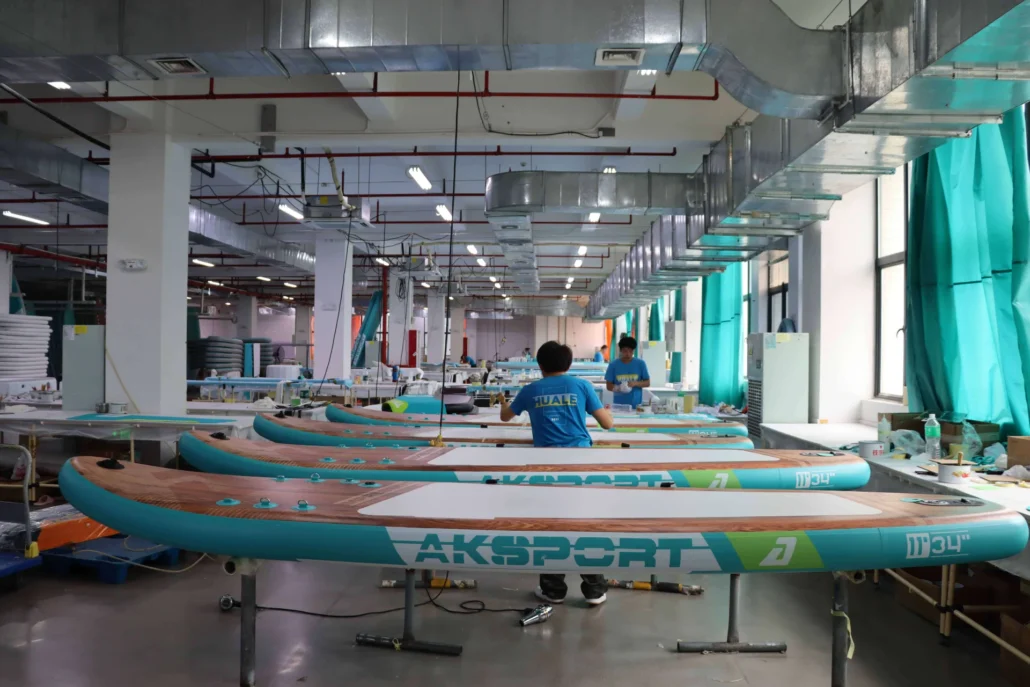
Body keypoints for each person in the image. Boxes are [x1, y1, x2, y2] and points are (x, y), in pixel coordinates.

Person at [499, 341, 614, 607]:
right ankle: (594, 590)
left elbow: (506, 417)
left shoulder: (530, 390)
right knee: (584, 522)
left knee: (550, 523)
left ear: (539, 365)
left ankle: (553, 590)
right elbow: (607, 424)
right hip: (581, 463)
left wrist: (504, 404)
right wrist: (605, 412)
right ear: (570, 364)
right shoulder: (582, 386)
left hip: (546, 465)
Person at [605, 336, 650, 409]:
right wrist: (618, 388)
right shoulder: (613, 365)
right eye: (625, 351)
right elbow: (608, 385)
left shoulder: (640, 364)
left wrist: (635, 383)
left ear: (633, 351)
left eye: (631, 351)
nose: (628, 354)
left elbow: (647, 383)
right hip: (619, 406)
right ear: (621, 350)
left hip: (636, 405)